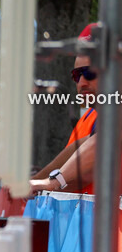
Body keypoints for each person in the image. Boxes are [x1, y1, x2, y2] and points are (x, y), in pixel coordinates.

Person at [30, 23, 99, 195]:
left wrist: (51, 182)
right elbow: (82, 145)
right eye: (77, 75)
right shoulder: (98, 114)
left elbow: (99, 148)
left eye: (90, 73)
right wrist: (39, 179)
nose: (81, 82)